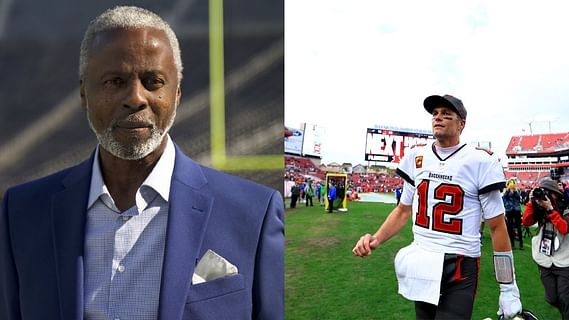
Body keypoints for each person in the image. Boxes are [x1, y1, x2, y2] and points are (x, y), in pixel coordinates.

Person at [0, 6, 284, 320]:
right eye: (114, 81)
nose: (136, 97)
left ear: (177, 93)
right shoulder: (23, 213)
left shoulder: (253, 213)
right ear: (84, 93)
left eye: (153, 81)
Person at [352, 94, 522, 319]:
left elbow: (497, 227)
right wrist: (376, 239)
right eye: (435, 114)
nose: (438, 118)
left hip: (459, 263)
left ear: (461, 124)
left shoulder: (481, 161)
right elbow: (404, 210)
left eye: (446, 114)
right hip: (422, 259)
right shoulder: (416, 157)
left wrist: (508, 287)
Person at [522, 178, 569, 319]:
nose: (545, 196)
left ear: (555, 195)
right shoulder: (538, 206)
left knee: (565, 298)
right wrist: (531, 203)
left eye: (548, 193)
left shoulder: (565, 206)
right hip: (545, 258)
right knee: (552, 298)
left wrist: (550, 209)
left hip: (565, 259)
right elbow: (526, 222)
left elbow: (564, 228)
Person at [503, 178, 524, 250]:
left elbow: (519, 198)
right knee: (510, 227)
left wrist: (515, 191)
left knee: (518, 227)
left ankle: (521, 244)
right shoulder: (506, 191)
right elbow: (504, 198)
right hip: (509, 210)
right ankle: (512, 244)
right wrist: (508, 190)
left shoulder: (517, 191)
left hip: (516, 210)